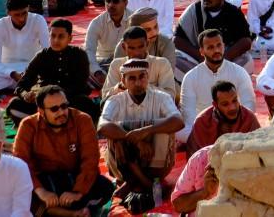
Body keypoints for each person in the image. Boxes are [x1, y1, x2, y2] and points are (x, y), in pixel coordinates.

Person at [13, 84, 115, 216]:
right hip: (44, 181)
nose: (61, 112)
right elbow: (21, 162)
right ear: (41, 111)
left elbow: (90, 160)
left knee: (105, 188)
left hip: (75, 177)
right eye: (54, 109)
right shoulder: (28, 125)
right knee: (20, 193)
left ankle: (56, 211)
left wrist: (77, 192)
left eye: (64, 106)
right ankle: (73, 213)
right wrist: (40, 191)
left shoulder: (82, 120)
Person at [97, 59, 184, 210]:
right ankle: (148, 184)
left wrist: (146, 131)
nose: (138, 82)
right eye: (132, 78)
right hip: (124, 166)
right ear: (123, 80)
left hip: (157, 166)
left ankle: (132, 183)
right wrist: (136, 140)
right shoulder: (115, 100)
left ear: (148, 77)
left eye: (142, 77)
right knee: (116, 129)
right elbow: (102, 127)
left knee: (163, 128)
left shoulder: (161, 97)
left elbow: (178, 122)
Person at [174, 0, 253, 75]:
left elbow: (246, 41)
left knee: (247, 60)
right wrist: (200, 57)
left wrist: (225, 59)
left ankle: (225, 79)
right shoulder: (194, 10)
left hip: (226, 59)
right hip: (199, 59)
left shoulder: (233, 12)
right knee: (175, 60)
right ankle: (199, 80)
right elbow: (177, 39)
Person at [0, 0, 49, 94]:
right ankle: (25, 87)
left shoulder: (38, 20)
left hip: (31, 67)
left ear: (28, 8)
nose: (21, 18)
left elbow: (47, 52)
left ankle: (11, 87)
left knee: (50, 71)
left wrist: (31, 71)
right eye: (17, 15)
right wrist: (12, 74)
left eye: (24, 13)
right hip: (7, 69)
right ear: (8, 13)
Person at [186, 80, 260, 156]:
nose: (232, 108)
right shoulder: (202, 122)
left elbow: (259, 152)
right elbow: (193, 157)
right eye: (225, 104)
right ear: (215, 105)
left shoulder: (249, 118)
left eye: (234, 100)